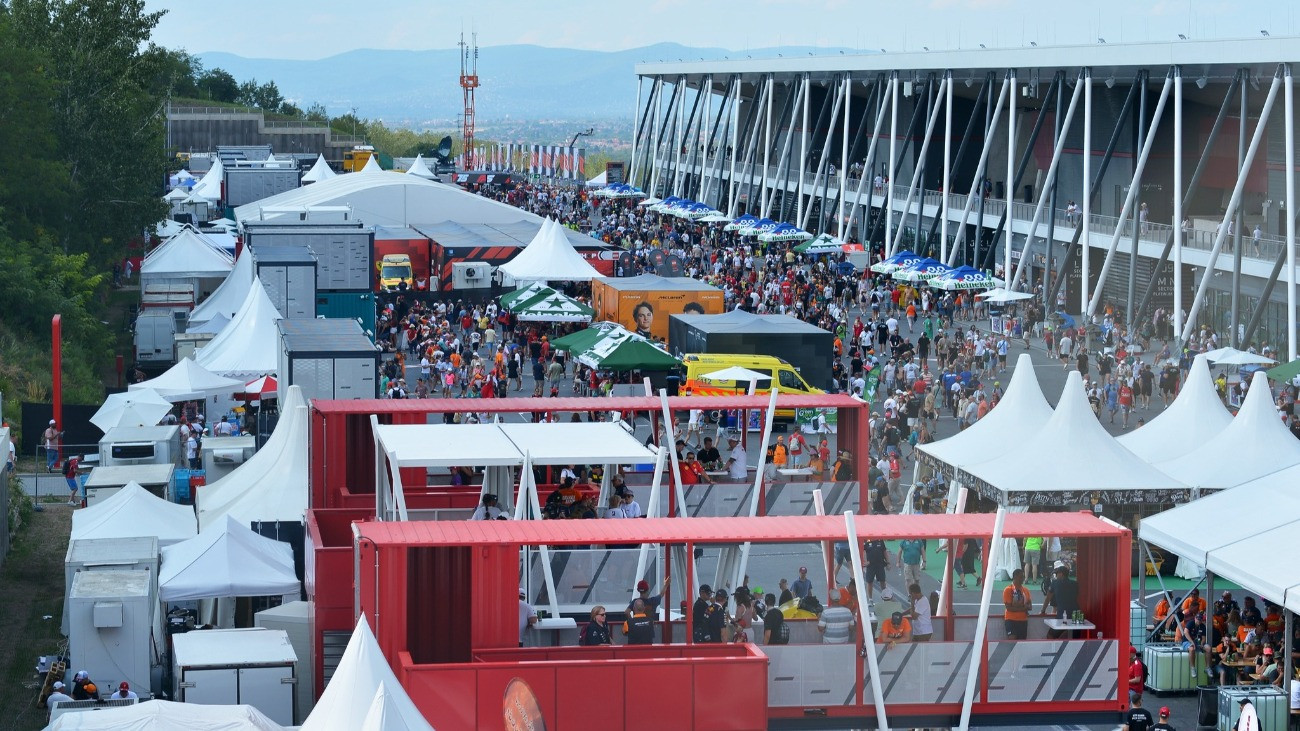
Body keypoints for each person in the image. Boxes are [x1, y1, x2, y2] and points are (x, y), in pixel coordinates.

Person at [1041, 562, 1080, 638]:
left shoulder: (1055, 583)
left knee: (1050, 636)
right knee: (1074, 638)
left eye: (1056, 574)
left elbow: (1048, 598)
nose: (1055, 576)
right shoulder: (1075, 584)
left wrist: (1043, 611)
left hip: (1063, 615)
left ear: (1061, 574)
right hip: (1076, 615)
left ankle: (1055, 649)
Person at [1003, 568, 1033, 639]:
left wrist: (1020, 608)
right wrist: (1024, 608)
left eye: (1023, 577)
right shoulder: (1008, 590)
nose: (1023, 579)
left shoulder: (1026, 590)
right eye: (1021, 577)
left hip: (1023, 620)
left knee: (1021, 643)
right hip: (1011, 620)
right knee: (1012, 639)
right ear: (1015, 577)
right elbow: (1009, 608)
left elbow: (1030, 606)